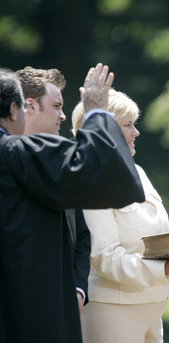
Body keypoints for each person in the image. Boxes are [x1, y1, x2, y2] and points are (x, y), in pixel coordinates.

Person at [0, 64, 145, 343]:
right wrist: (96, 113)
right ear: (15, 109)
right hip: (29, 316)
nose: (63, 115)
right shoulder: (15, 154)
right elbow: (111, 181)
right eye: (56, 105)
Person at [71, 88, 169, 343]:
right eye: (128, 125)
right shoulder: (90, 179)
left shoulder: (136, 172)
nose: (136, 132)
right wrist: (168, 266)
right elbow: (106, 258)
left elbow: (157, 237)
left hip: (153, 307)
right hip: (112, 313)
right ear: (104, 131)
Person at [16, 66, 91, 314]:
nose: (63, 116)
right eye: (57, 106)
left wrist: (78, 290)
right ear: (30, 106)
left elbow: (81, 236)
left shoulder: (64, 164)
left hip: (63, 313)